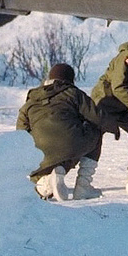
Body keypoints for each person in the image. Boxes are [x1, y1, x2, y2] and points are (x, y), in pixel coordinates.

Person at [16, 63, 119, 201]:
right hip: (70, 143)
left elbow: (21, 132)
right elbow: (96, 117)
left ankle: (46, 183)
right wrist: (114, 127)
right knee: (93, 131)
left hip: (40, 152)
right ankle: (83, 186)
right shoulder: (73, 93)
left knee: (58, 153)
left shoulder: (30, 102)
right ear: (70, 79)